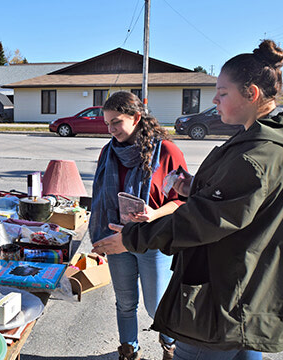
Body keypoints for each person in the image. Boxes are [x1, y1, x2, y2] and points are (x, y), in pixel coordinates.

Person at [91, 40, 283, 360]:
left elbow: (207, 219)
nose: (215, 99)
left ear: (251, 93)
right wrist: (193, 187)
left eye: (222, 92)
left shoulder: (258, 154)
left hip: (226, 296)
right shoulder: (260, 141)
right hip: (248, 292)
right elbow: (237, 202)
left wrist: (132, 238)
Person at [89, 91, 188, 360]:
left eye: (116, 122)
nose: (111, 130)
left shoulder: (165, 150)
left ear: (136, 117)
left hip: (152, 239)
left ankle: (170, 345)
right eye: (107, 124)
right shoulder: (108, 152)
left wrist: (154, 214)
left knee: (157, 305)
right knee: (125, 302)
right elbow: (99, 197)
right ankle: (129, 350)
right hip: (116, 237)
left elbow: (182, 201)